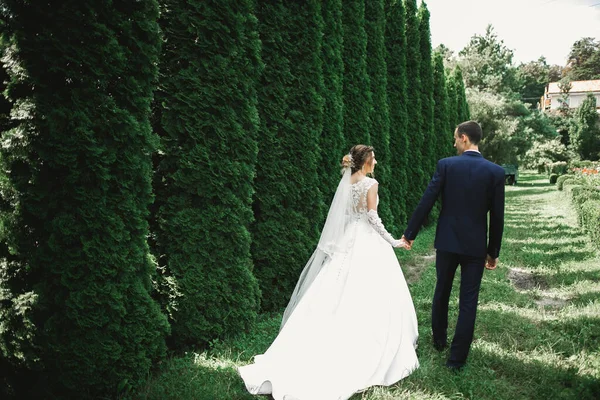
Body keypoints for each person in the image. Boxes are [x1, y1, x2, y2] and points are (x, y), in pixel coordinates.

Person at [238, 145, 419, 400]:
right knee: (371, 295)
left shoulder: (347, 183)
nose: (376, 161)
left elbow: (343, 218)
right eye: (374, 158)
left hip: (348, 242)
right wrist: (394, 242)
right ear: (366, 161)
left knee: (333, 292)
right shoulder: (370, 184)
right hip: (367, 243)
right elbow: (373, 218)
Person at [402, 121, 505, 371]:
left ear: (464, 138)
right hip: (475, 247)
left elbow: (427, 200)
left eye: (455, 139)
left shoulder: (446, 165)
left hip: (447, 242)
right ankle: (456, 360)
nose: (454, 143)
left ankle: (439, 340)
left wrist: (410, 233)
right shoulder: (495, 172)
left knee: (442, 290)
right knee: (469, 300)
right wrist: (493, 252)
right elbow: (498, 217)